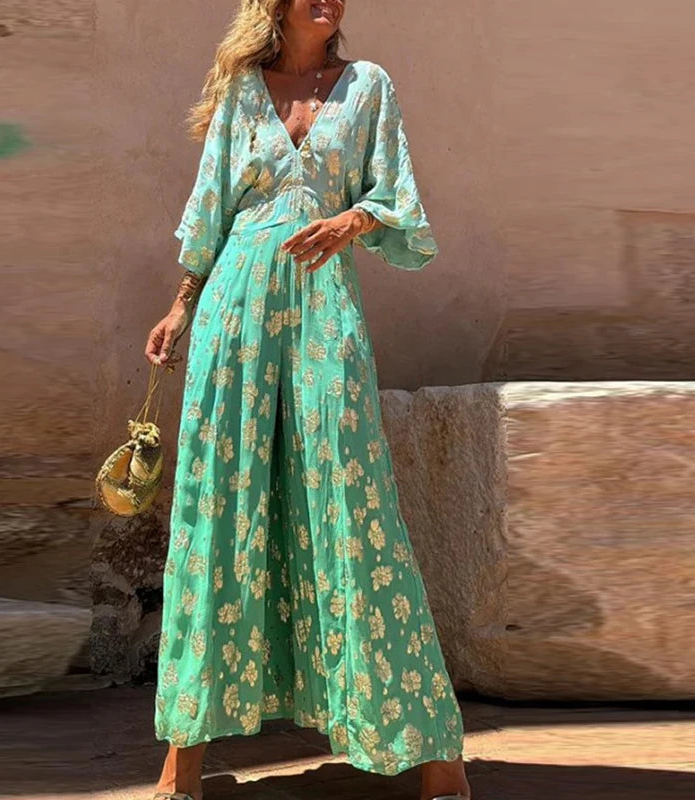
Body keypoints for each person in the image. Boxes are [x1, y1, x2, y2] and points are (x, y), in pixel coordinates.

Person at [144, 2, 471, 799]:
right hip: (234, 313)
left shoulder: (368, 86)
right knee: (218, 513)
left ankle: (435, 753)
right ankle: (183, 759)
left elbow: (396, 197)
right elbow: (211, 207)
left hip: (326, 313)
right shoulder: (240, 91)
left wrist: (353, 219)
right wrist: (184, 303)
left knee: (353, 507)